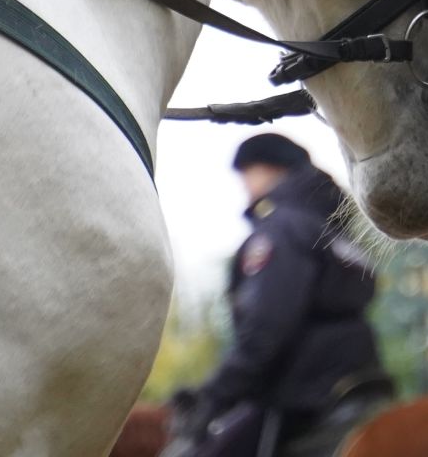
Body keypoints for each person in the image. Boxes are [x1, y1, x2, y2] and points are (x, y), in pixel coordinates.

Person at [167, 134, 393, 457]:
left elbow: (268, 326)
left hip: (300, 394)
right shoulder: (332, 233)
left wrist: (214, 396)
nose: (244, 185)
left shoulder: (282, 229)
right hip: (357, 382)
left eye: (245, 173)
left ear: (268, 169)